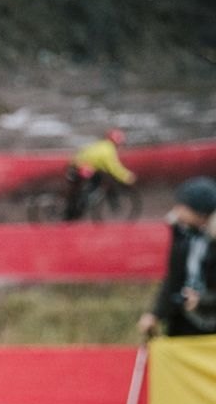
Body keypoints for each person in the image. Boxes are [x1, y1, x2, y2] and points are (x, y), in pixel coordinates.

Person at [138, 176, 216, 339]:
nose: (177, 211)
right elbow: (173, 278)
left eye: (183, 207)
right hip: (183, 321)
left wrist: (203, 300)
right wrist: (156, 314)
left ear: (200, 213)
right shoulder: (182, 236)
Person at [65, 128, 136, 221]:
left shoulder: (103, 145)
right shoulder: (108, 150)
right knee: (93, 182)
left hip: (78, 165)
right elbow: (114, 167)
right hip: (81, 167)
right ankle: (78, 205)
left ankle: (79, 204)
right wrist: (127, 176)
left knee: (94, 179)